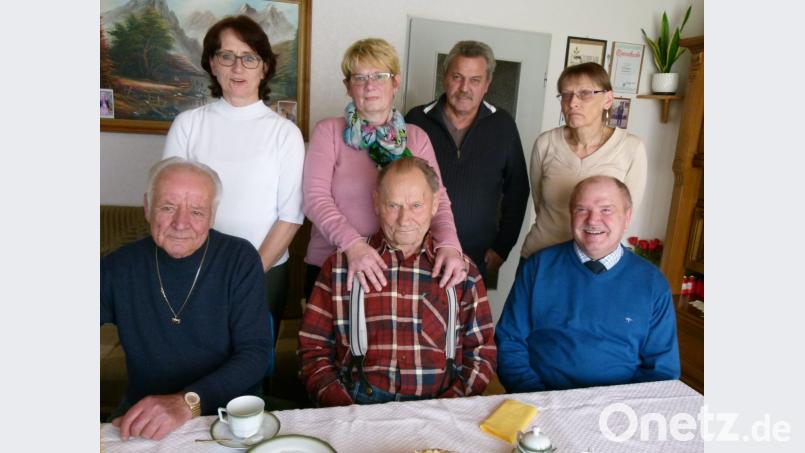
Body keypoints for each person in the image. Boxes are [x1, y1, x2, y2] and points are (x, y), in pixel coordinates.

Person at [298, 157, 496, 406]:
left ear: (435, 204)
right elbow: (312, 350)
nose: (404, 220)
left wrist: (449, 407)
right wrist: (343, 408)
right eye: (393, 205)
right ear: (376, 203)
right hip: (357, 407)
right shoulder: (340, 267)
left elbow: (481, 354)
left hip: (441, 405)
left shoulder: (461, 271)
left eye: (416, 205)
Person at [101, 157, 273, 440]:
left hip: (228, 409)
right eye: (168, 207)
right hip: (144, 407)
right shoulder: (119, 266)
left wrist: (187, 402)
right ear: (147, 207)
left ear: (212, 216)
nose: (181, 223)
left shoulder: (239, 259)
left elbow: (256, 353)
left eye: (196, 211)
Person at [163, 15, 304, 345]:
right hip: (194, 269)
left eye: (249, 57)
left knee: (253, 364)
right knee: (194, 358)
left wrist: (248, 274)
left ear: (264, 67)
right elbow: (167, 203)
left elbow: (291, 216)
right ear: (213, 64)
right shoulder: (188, 124)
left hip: (264, 270)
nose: (238, 67)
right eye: (227, 56)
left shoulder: (285, 133)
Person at [303, 38, 465, 299]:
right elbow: (314, 199)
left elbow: (438, 198)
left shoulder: (416, 138)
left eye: (379, 76)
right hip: (334, 263)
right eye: (359, 78)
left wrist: (449, 244)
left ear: (395, 82)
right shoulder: (328, 132)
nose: (369, 86)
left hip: (402, 265)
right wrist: (353, 245)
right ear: (348, 87)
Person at [495, 175, 679, 392]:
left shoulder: (653, 283)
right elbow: (509, 341)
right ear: (571, 215)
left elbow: (662, 369)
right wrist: (536, 396)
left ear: (627, 216)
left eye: (606, 210)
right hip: (541, 397)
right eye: (582, 210)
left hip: (619, 404)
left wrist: (621, 406)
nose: (592, 220)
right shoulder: (538, 267)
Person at [406, 40, 529, 279]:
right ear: (445, 78)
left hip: (476, 258)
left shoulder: (503, 125)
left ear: (487, 84)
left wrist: (502, 247)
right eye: (457, 77)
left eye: (475, 80)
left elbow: (518, 191)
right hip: (419, 253)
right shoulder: (416, 120)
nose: (465, 88)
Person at [520, 62, 647, 261]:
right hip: (540, 256)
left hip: (592, 263)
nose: (572, 103)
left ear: (607, 99)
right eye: (566, 95)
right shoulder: (545, 143)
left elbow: (624, 215)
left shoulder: (630, 148)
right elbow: (540, 204)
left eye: (585, 93)